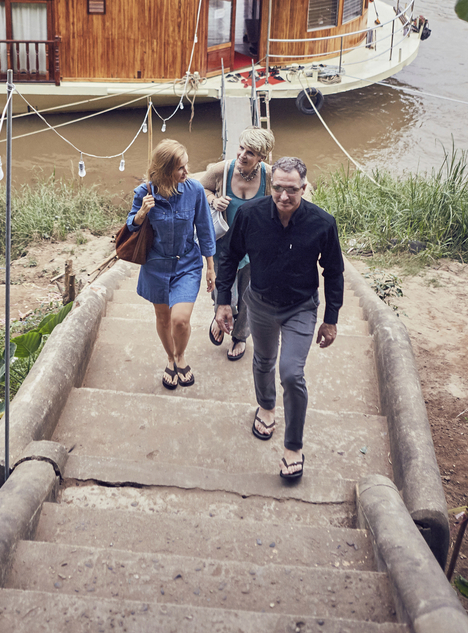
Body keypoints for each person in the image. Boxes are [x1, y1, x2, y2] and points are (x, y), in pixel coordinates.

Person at [214, 156, 343, 482]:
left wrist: (331, 318)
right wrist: (223, 302)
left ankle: (293, 447)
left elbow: (334, 272)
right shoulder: (249, 215)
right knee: (264, 361)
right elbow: (228, 256)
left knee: (290, 372)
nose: (284, 196)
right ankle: (267, 407)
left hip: (301, 307)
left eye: (292, 190)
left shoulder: (322, 223)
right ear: (272, 186)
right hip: (260, 303)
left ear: (304, 188)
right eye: (278, 189)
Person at [126, 140, 216, 391]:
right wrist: (142, 212)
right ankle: (170, 358)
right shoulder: (143, 192)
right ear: (165, 171)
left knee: (180, 320)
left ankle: (181, 355)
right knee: (163, 318)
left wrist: (210, 266)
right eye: (180, 168)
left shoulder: (195, 190)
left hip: (187, 263)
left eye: (186, 166)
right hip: (155, 265)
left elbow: (205, 230)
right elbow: (131, 225)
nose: (187, 172)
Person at [194, 126, 276, 361]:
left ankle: (240, 336)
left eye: (250, 153)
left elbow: (286, 201)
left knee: (248, 297)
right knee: (222, 292)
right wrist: (214, 200)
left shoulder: (270, 176)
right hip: (223, 247)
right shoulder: (224, 169)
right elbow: (201, 187)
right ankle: (220, 315)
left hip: (254, 250)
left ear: (261, 157)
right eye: (241, 148)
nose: (242, 155)